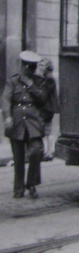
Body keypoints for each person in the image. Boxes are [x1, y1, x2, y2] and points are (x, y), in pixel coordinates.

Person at [1, 51, 47, 199]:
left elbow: (42, 99)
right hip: (17, 121)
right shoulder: (13, 80)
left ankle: (31, 184)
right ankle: (18, 188)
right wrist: (7, 117)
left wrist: (31, 85)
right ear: (23, 66)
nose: (29, 71)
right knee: (18, 157)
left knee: (35, 152)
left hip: (33, 121)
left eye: (32, 68)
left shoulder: (38, 81)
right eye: (27, 68)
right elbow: (5, 99)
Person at [35, 58, 59, 160]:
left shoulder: (48, 78)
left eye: (43, 65)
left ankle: (48, 152)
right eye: (40, 65)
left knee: (46, 130)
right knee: (46, 130)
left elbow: (44, 93)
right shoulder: (47, 77)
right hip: (48, 108)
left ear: (48, 67)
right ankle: (48, 152)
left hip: (47, 108)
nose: (40, 67)